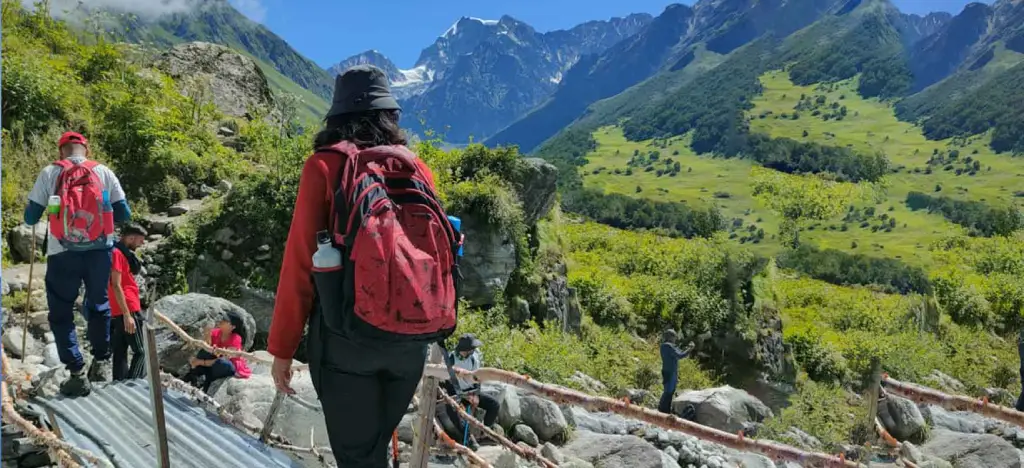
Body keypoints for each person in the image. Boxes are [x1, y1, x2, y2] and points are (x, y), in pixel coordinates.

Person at [268, 65, 460, 468]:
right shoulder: (416, 167)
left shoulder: (324, 166)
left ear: (336, 113)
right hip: (410, 342)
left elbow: (301, 261)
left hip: (346, 340)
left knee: (357, 458)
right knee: (372, 453)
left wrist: (282, 348)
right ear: (389, 115)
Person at [24, 131, 131, 397]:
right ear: (87, 149)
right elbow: (124, 214)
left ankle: (76, 371)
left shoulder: (50, 172)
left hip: (62, 252)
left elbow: (29, 217)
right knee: (98, 303)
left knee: (61, 312)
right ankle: (102, 360)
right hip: (100, 250)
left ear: (61, 151)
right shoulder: (103, 172)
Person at [443, 334, 501, 450]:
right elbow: (448, 383)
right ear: (466, 349)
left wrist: (475, 394)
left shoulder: (475, 357)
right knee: (452, 411)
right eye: (472, 348)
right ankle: (469, 438)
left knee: (494, 405)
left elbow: (477, 377)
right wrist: (461, 396)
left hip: (472, 392)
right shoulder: (451, 359)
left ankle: (486, 432)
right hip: (457, 393)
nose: (474, 350)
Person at [108, 224, 147, 381]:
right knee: (141, 351)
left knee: (120, 352)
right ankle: (133, 384)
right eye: (140, 241)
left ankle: (120, 384)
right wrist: (127, 314)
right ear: (130, 238)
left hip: (117, 309)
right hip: (128, 308)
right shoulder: (117, 254)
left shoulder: (116, 251)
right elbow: (116, 284)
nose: (142, 244)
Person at [182, 314, 252, 393]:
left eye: (225, 321)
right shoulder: (216, 332)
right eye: (223, 319)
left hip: (226, 365)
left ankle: (206, 379)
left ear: (233, 327)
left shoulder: (236, 338)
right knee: (204, 352)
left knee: (222, 363)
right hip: (213, 362)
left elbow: (225, 358)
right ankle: (194, 375)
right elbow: (207, 348)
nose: (222, 321)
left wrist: (200, 362)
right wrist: (207, 335)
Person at [658, 329, 695, 414]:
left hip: (668, 371)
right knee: (669, 391)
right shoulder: (668, 346)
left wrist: (687, 349)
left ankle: (664, 410)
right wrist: (690, 349)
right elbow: (680, 355)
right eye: (674, 337)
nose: (675, 339)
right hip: (670, 372)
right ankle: (663, 410)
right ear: (670, 337)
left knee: (669, 391)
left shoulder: (664, 346)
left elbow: (679, 353)